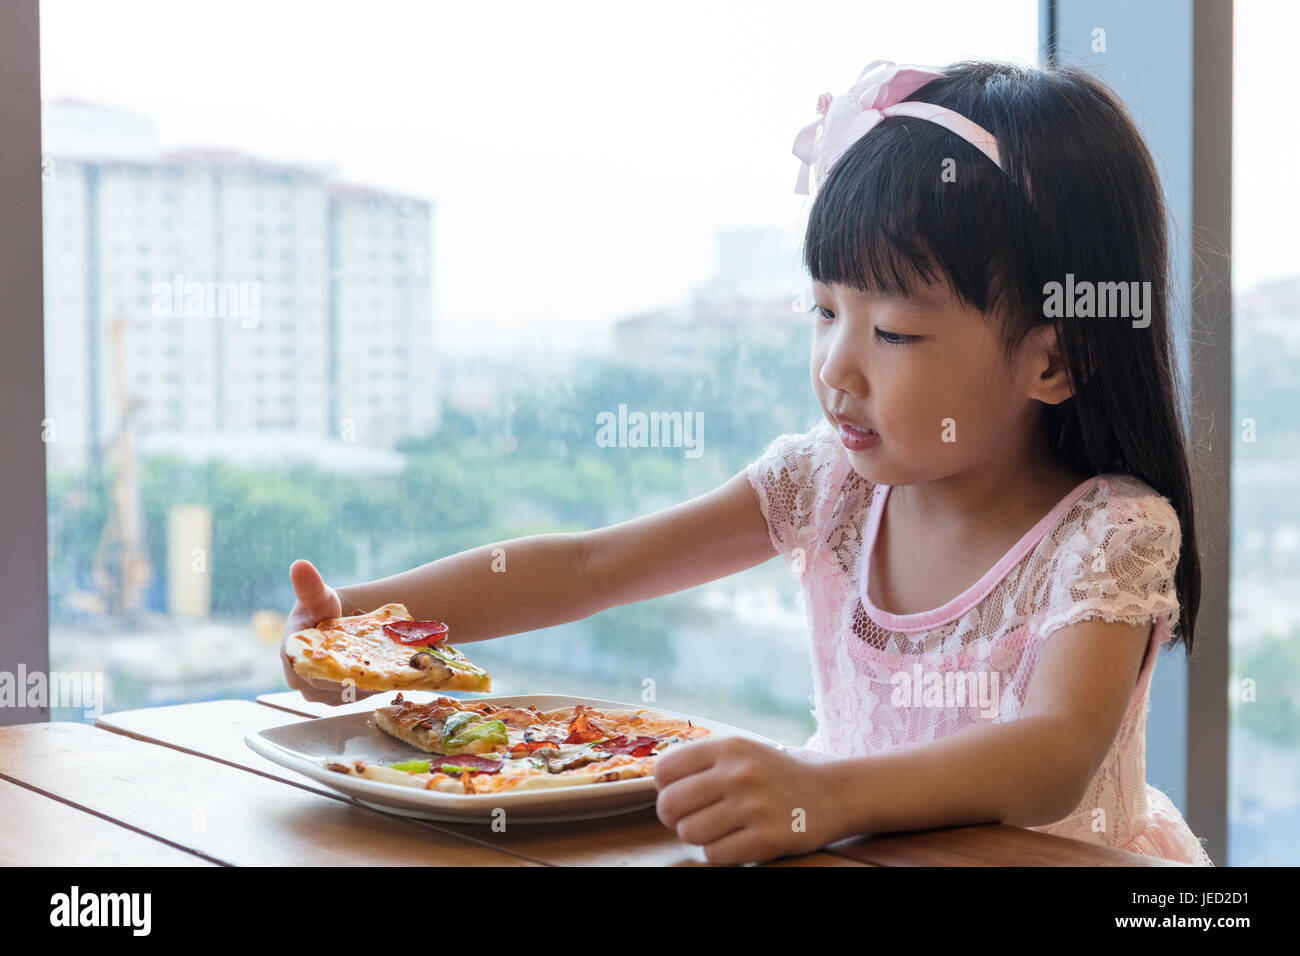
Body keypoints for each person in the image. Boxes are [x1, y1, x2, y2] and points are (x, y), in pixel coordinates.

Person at [281, 59, 1215, 867]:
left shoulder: (1109, 533)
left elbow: (1052, 757)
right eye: (823, 311)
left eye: (892, 330)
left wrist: (827, 792)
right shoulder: (828, 486)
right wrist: (371, 624)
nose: (836, 367)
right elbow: (591, 567)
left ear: (1052, 360)